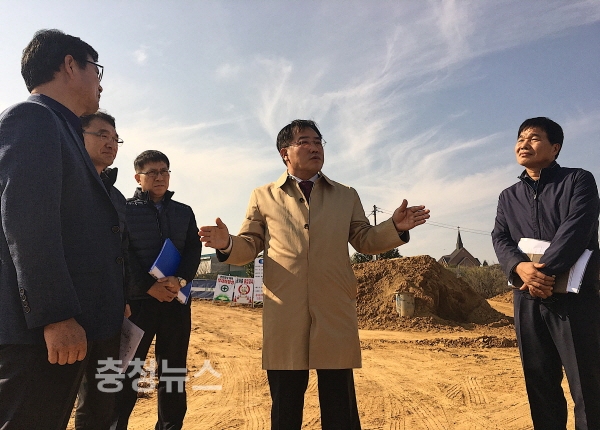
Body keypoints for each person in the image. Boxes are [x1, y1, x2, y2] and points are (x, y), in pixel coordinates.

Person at [199, 119, 430, 430]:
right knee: (286, 404)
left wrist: (394, 227)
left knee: (339, 404)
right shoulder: (263, 196)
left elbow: (364, 240)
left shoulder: (345, 195)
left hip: (333, 307)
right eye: (304, 142)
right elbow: (250, 244)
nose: (314, 147)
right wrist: (227, 243)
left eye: (318, 141)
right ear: (285, 153)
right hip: (285, 310)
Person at [0, 30, 125, 429]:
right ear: (70, 65)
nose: (100, 84)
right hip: (40, 335)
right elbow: (27, 224)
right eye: (96, 70)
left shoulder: (62, 129)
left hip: (63, 330)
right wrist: (56, 316)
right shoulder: (33, 119)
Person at [492, 117, 600, 429]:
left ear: (555, 148)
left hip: (574, 299)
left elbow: (576, 231)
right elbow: (500, 237)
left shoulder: (578, 181)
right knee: (540, 385)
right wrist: (519, 268)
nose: (523, 144)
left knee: (587, 386)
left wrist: (541, 274)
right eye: (520, 138)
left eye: (534, 138)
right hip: (527, 300)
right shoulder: (508, 196)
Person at [113, 150, 201, 430]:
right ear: (138, 177)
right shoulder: (124, 210)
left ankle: (170, 425)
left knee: (173, 371)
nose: (159, 177)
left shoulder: (184, 212)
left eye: (164, 171)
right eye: (152, 172)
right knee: (127, 370)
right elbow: (122, 253)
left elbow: (193, 250)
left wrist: (180, 280)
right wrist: (147, 286)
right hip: (139, 304)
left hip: (175, 302)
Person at [75, 111, 129, 430]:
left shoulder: (118, 199)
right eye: (101, 135)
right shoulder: (65, 183)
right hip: (71, 313)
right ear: (78, 136)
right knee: (53, 398)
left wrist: (124, 297)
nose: (110, 143)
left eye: (115, 138)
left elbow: (123, 253)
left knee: (101, 399)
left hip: (109, 315)